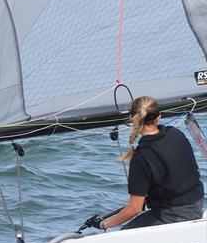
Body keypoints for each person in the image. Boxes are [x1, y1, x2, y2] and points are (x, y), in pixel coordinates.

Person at [84, 96, 204, 231]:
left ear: (132, 120)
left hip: (174, 215)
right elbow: (184, 173)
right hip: (197, 204)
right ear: (159, 117)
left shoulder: (140, 158)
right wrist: (154, 196)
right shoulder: (176, 134)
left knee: (125, 234)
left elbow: (135, 208)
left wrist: (103, 224)